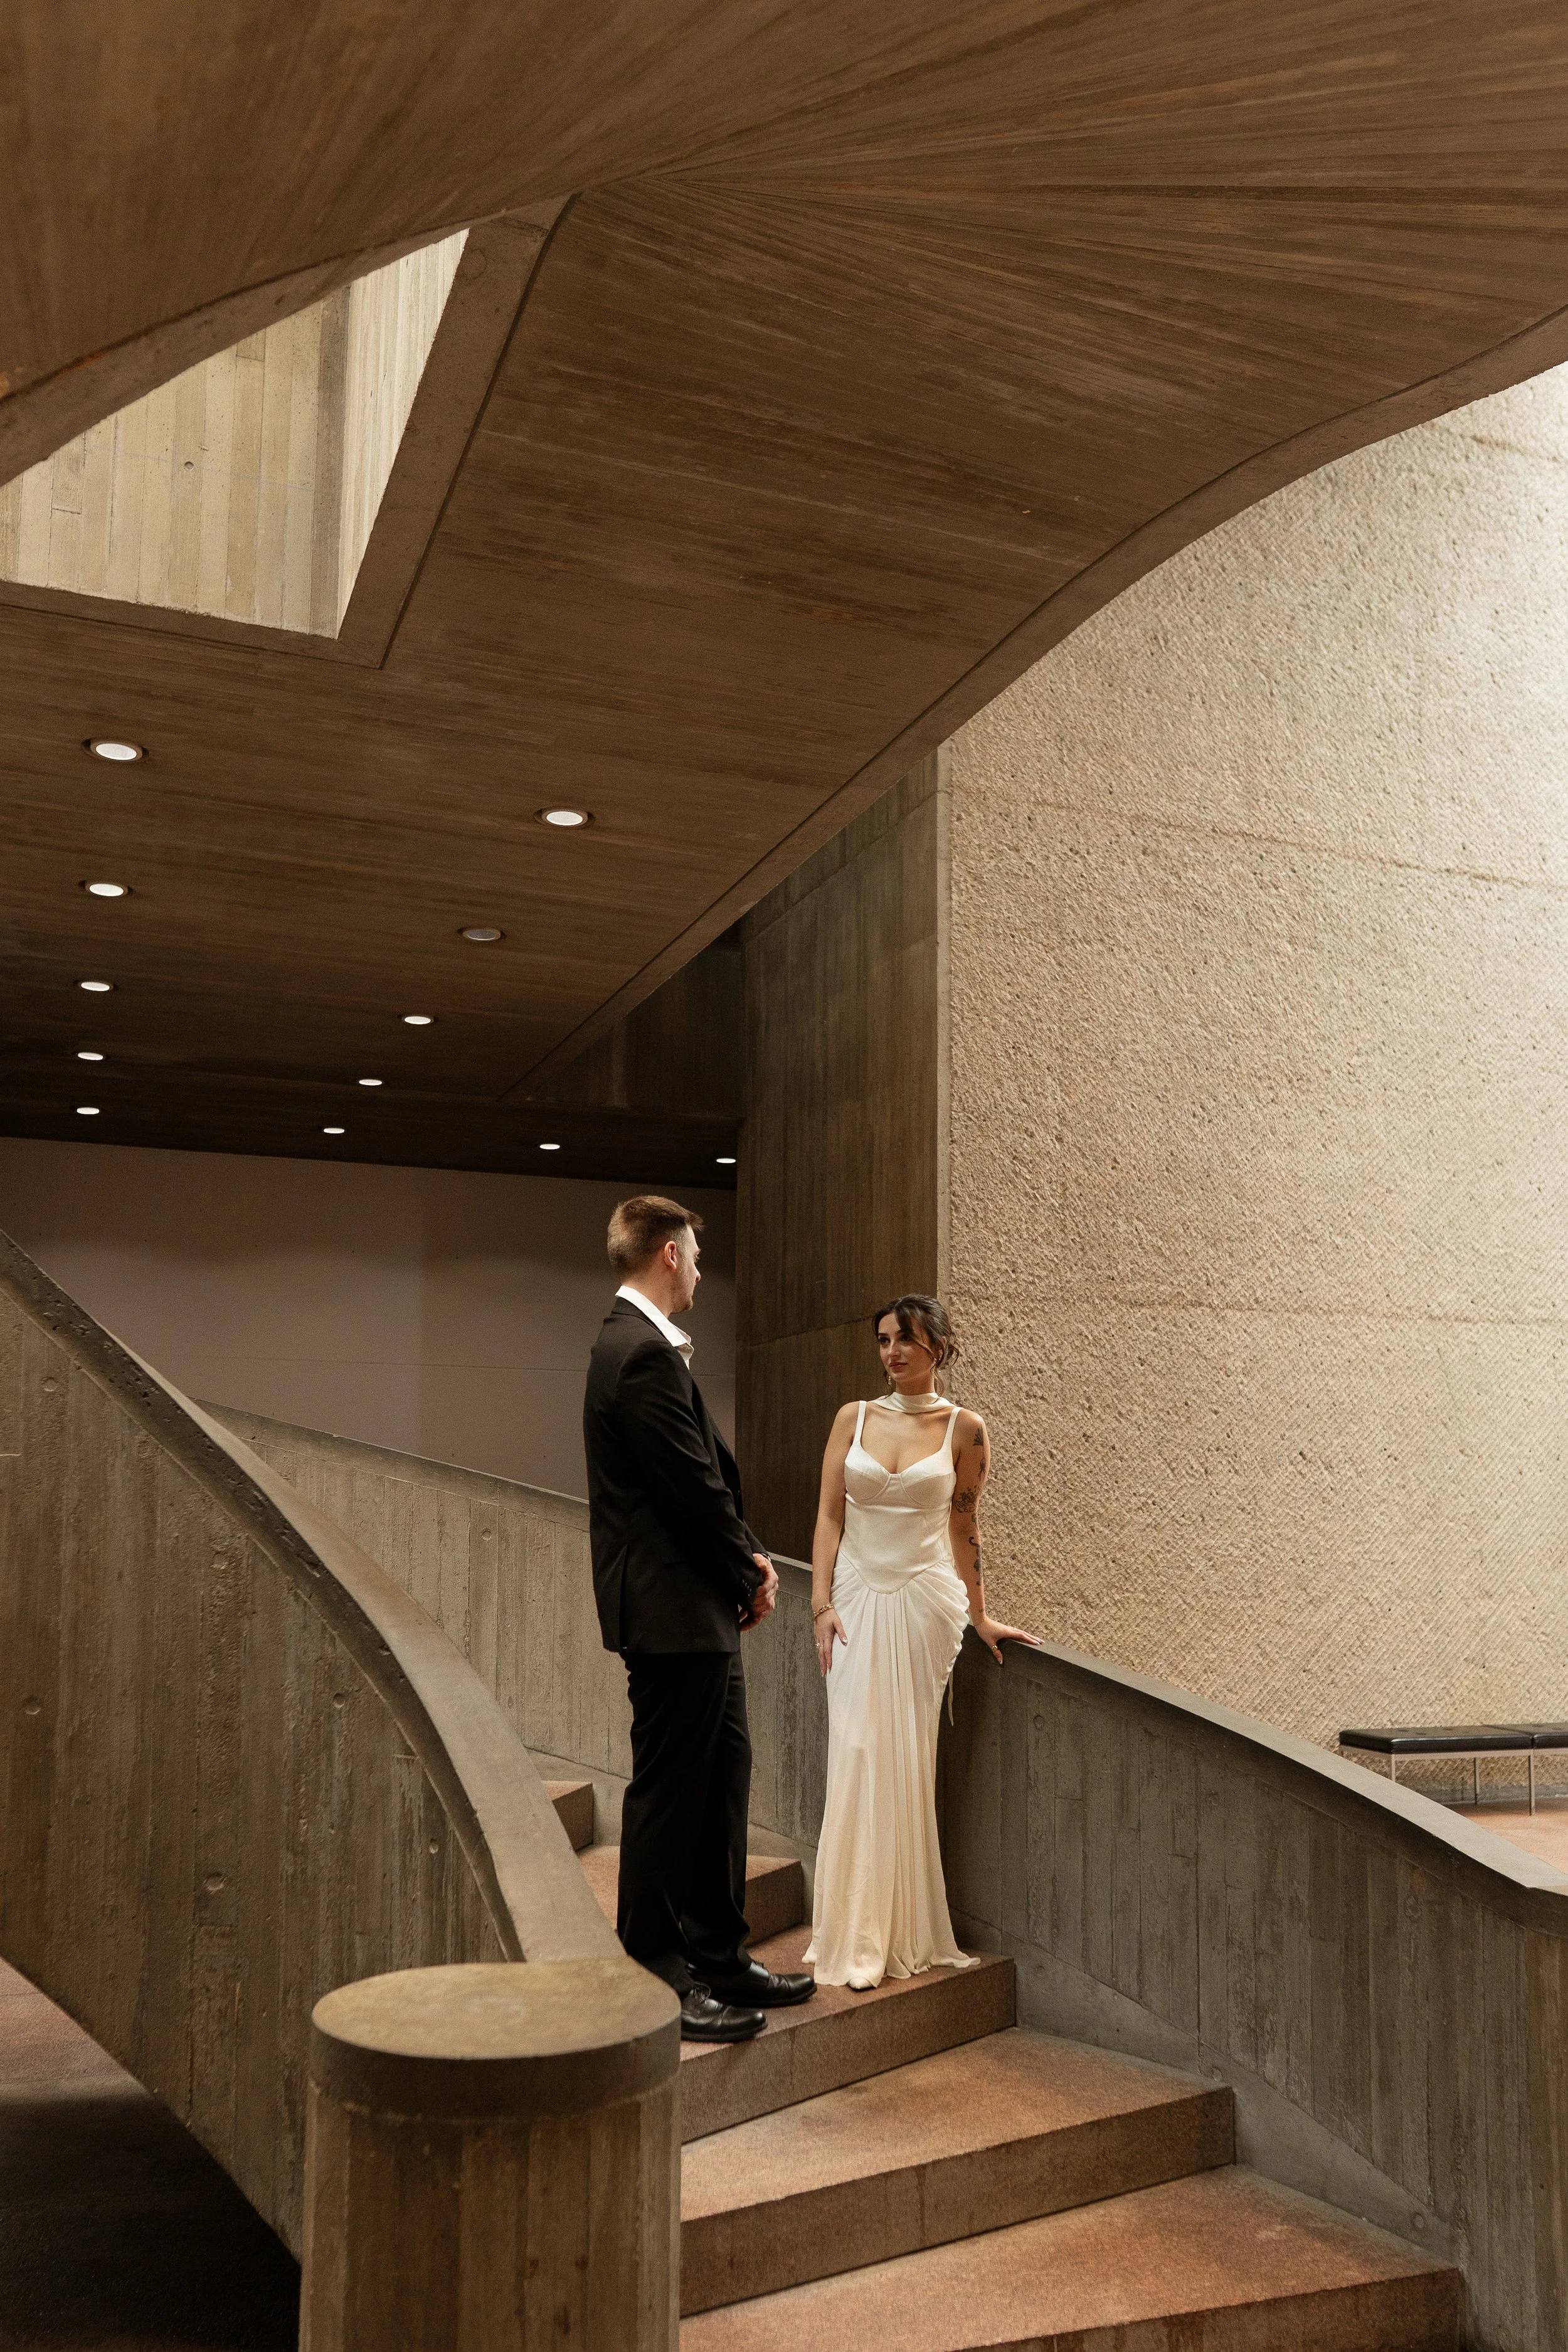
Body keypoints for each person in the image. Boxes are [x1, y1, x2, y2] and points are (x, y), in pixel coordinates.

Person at [583, 1194, 815, 2041]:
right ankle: (655, 1974)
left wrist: (742, 1563)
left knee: (721, 1781)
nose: (703, 1274)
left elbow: (700, 1483)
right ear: (671, 1254)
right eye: (698, 1257)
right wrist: (748, 1568)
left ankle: (719, 1954)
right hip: (672, 1609)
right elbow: (689, 1491)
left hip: (694, 1608)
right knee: (670, 1792)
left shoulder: (643, 1347)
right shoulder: (637, 1352)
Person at [805, 1295, 1038, 1989]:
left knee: (905, 1756)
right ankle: (849, 1933)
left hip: (926, 1603)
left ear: (938, 1344)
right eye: (882, 1340)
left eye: (905, 1339)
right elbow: (826, 1514)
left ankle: (897, 1932)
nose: (892, 1353)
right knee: (853, 1748)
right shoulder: (854, 1416)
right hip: (851, 1599)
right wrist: (818, 1602)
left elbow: (964, 1528)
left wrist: (980, 1613)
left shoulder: (966, 1430)